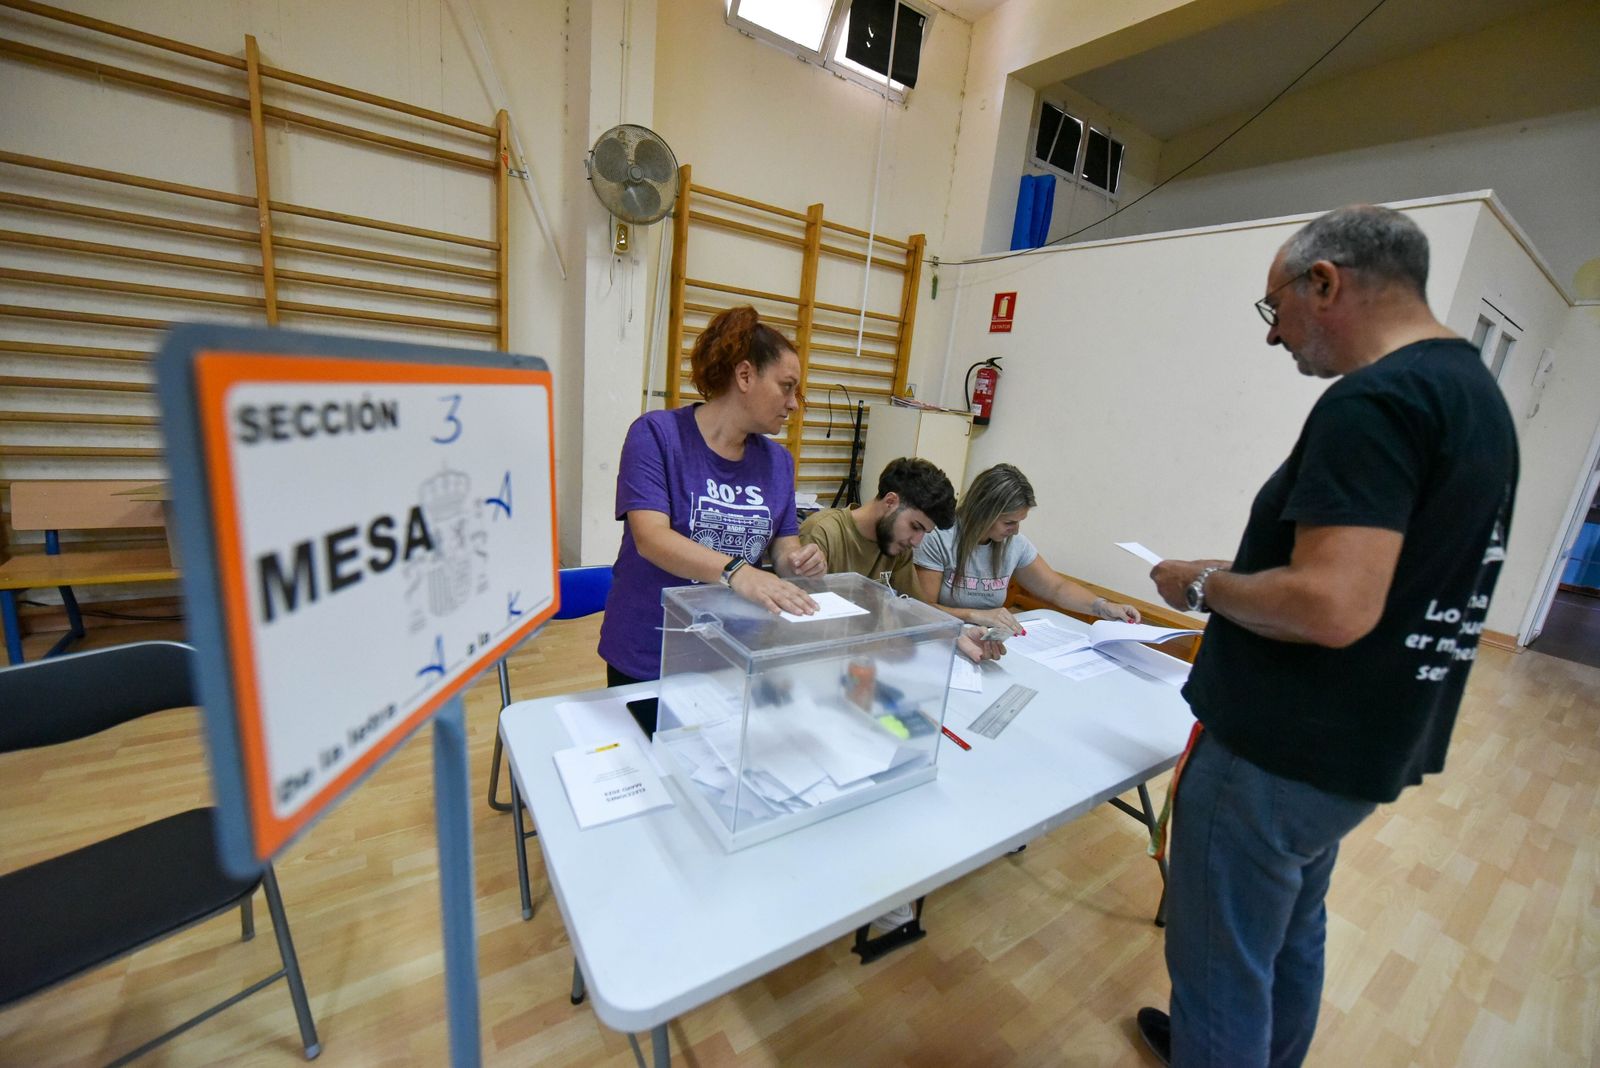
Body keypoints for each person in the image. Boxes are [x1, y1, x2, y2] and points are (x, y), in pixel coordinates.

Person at [1136, 205, 1519, 1067]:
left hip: (1276, 751)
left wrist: (1203, 585)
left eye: (1276, 310)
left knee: (1218, 971)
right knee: (1290, 933)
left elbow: (1333, 603)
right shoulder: (1473, 396)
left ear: (1325, 282)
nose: (1275, 339)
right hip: (1359, 749)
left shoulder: (1375, 401)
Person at [598, 306, 827, 686]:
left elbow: (783, 548)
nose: (793, 403)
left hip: (729, 652)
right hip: (648, 655)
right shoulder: (656, 435)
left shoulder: (778, 462)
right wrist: (737, 572)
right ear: (745, 375)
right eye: (787, 386)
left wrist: (798, 562)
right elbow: (651, 539)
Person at [801, 456, 1002, 664]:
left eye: (924, 532)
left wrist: (958, 633)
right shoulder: (822, 532)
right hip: (824, 662)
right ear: (890, 502)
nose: (917, 542)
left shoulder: (899, 546)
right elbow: (803, 624)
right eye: (915, 527)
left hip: (869, 662)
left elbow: (915, 608)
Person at [913, 463, 1141, 634]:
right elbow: (922, 609)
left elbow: (1056, 588)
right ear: (984, 513)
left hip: (988, 640)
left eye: (1019, 522)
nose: (1015, 530)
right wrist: (975, 615)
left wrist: (1101, 607)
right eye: (1009, 522)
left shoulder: (1013, 544)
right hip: (943, 637)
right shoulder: (939, 538)